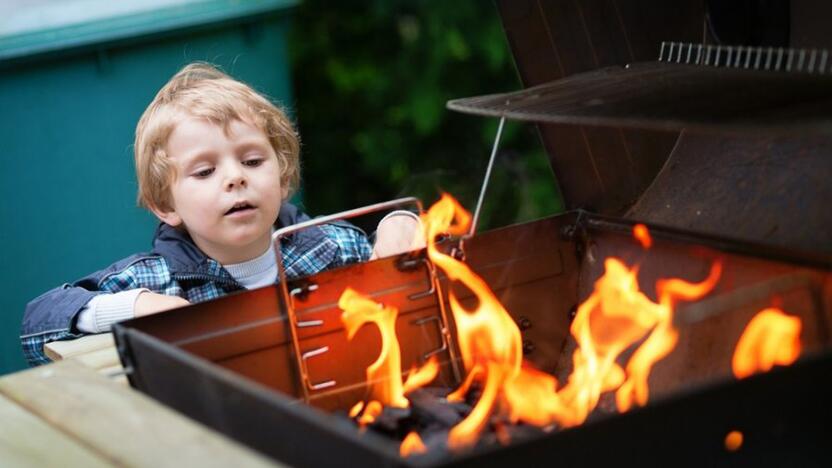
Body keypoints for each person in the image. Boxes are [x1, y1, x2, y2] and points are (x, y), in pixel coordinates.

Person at [20, 63, 423, 367]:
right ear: (166, 205)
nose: (234, 178)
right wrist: (137, 308)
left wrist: (399, 224)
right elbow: (37, 326)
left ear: (282, 178)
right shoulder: (158, 280)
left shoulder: (329, 247)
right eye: (205, 171)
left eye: (251, 160)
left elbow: (410, 266)